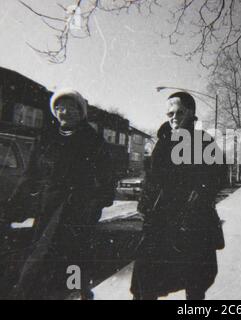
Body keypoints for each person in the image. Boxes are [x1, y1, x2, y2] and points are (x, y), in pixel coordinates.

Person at [0, 89, 116, 300]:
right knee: (38, 262)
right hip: (49, 209)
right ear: (54, 111)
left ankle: (79, 294)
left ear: (80, 111)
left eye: (71, 107)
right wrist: (12, 207)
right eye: (60, 107)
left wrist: (95, 205)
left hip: (78, 212)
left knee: (74, 263)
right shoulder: (46, 139)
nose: (65, 112)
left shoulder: (93, 140)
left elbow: (107, 177)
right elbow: (30, 176)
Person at [131, 92, 226, 300]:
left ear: (191, 113)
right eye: (169, 113)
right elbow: (152, 178)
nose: (173, 117)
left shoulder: (203, 141)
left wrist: (201, 192)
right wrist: (145, 205)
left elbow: (220, 174)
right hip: (160, 220)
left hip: (191, 220)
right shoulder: (162, 141)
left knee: (195, 281)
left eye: (179, 112)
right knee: (145, 278)